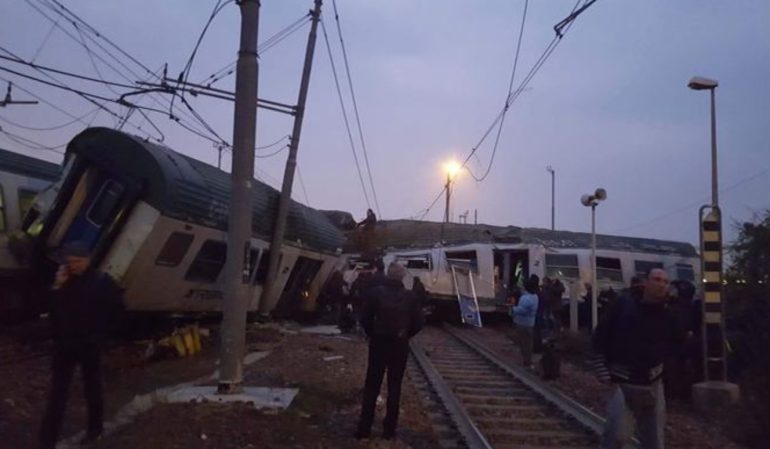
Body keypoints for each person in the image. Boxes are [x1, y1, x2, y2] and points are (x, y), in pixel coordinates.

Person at [39, 242, 124, 449]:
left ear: (88, 260)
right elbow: (51, 313)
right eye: (70, 262)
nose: (74, 266)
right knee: (58, 393)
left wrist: (102, 338)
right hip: (64, 347)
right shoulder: (64, 282)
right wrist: (57, 286)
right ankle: (47, 439)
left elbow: (117, 312)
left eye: (77, 262)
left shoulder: (103, 282)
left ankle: (94, 430)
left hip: (89, 346)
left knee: (92, 389)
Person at [591, 268, 685, 449]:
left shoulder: (670, 315)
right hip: (621, 380)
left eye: (665, 282)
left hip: (653, 382)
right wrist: (601, 368)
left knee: (654, 441)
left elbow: (678, 345)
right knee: (617, 436)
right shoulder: (624, 305)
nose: (661, 285)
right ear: (646, 283)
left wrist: (667, 371)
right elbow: (601, 335)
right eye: (657, 280)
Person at [356, 263, 424, 440]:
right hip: (399, 346)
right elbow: (419, 323)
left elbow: (364, 318)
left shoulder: (375, 293)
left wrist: (373, 333)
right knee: (395, 387)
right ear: (402, 277)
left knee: (372, 386)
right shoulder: (410, 297)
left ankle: (364, 429)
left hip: (378, 344)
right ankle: (389, 430)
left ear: (388, 275)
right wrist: (406, 335)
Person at [511, 277, 539, 369]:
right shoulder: (535, 297)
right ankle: (527, 360)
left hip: (522, 323)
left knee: (524, 343)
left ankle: (527, 361)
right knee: (528, 343)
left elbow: (521, 310)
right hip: (530, 323)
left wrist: (512, 309)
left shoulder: (526, 298)